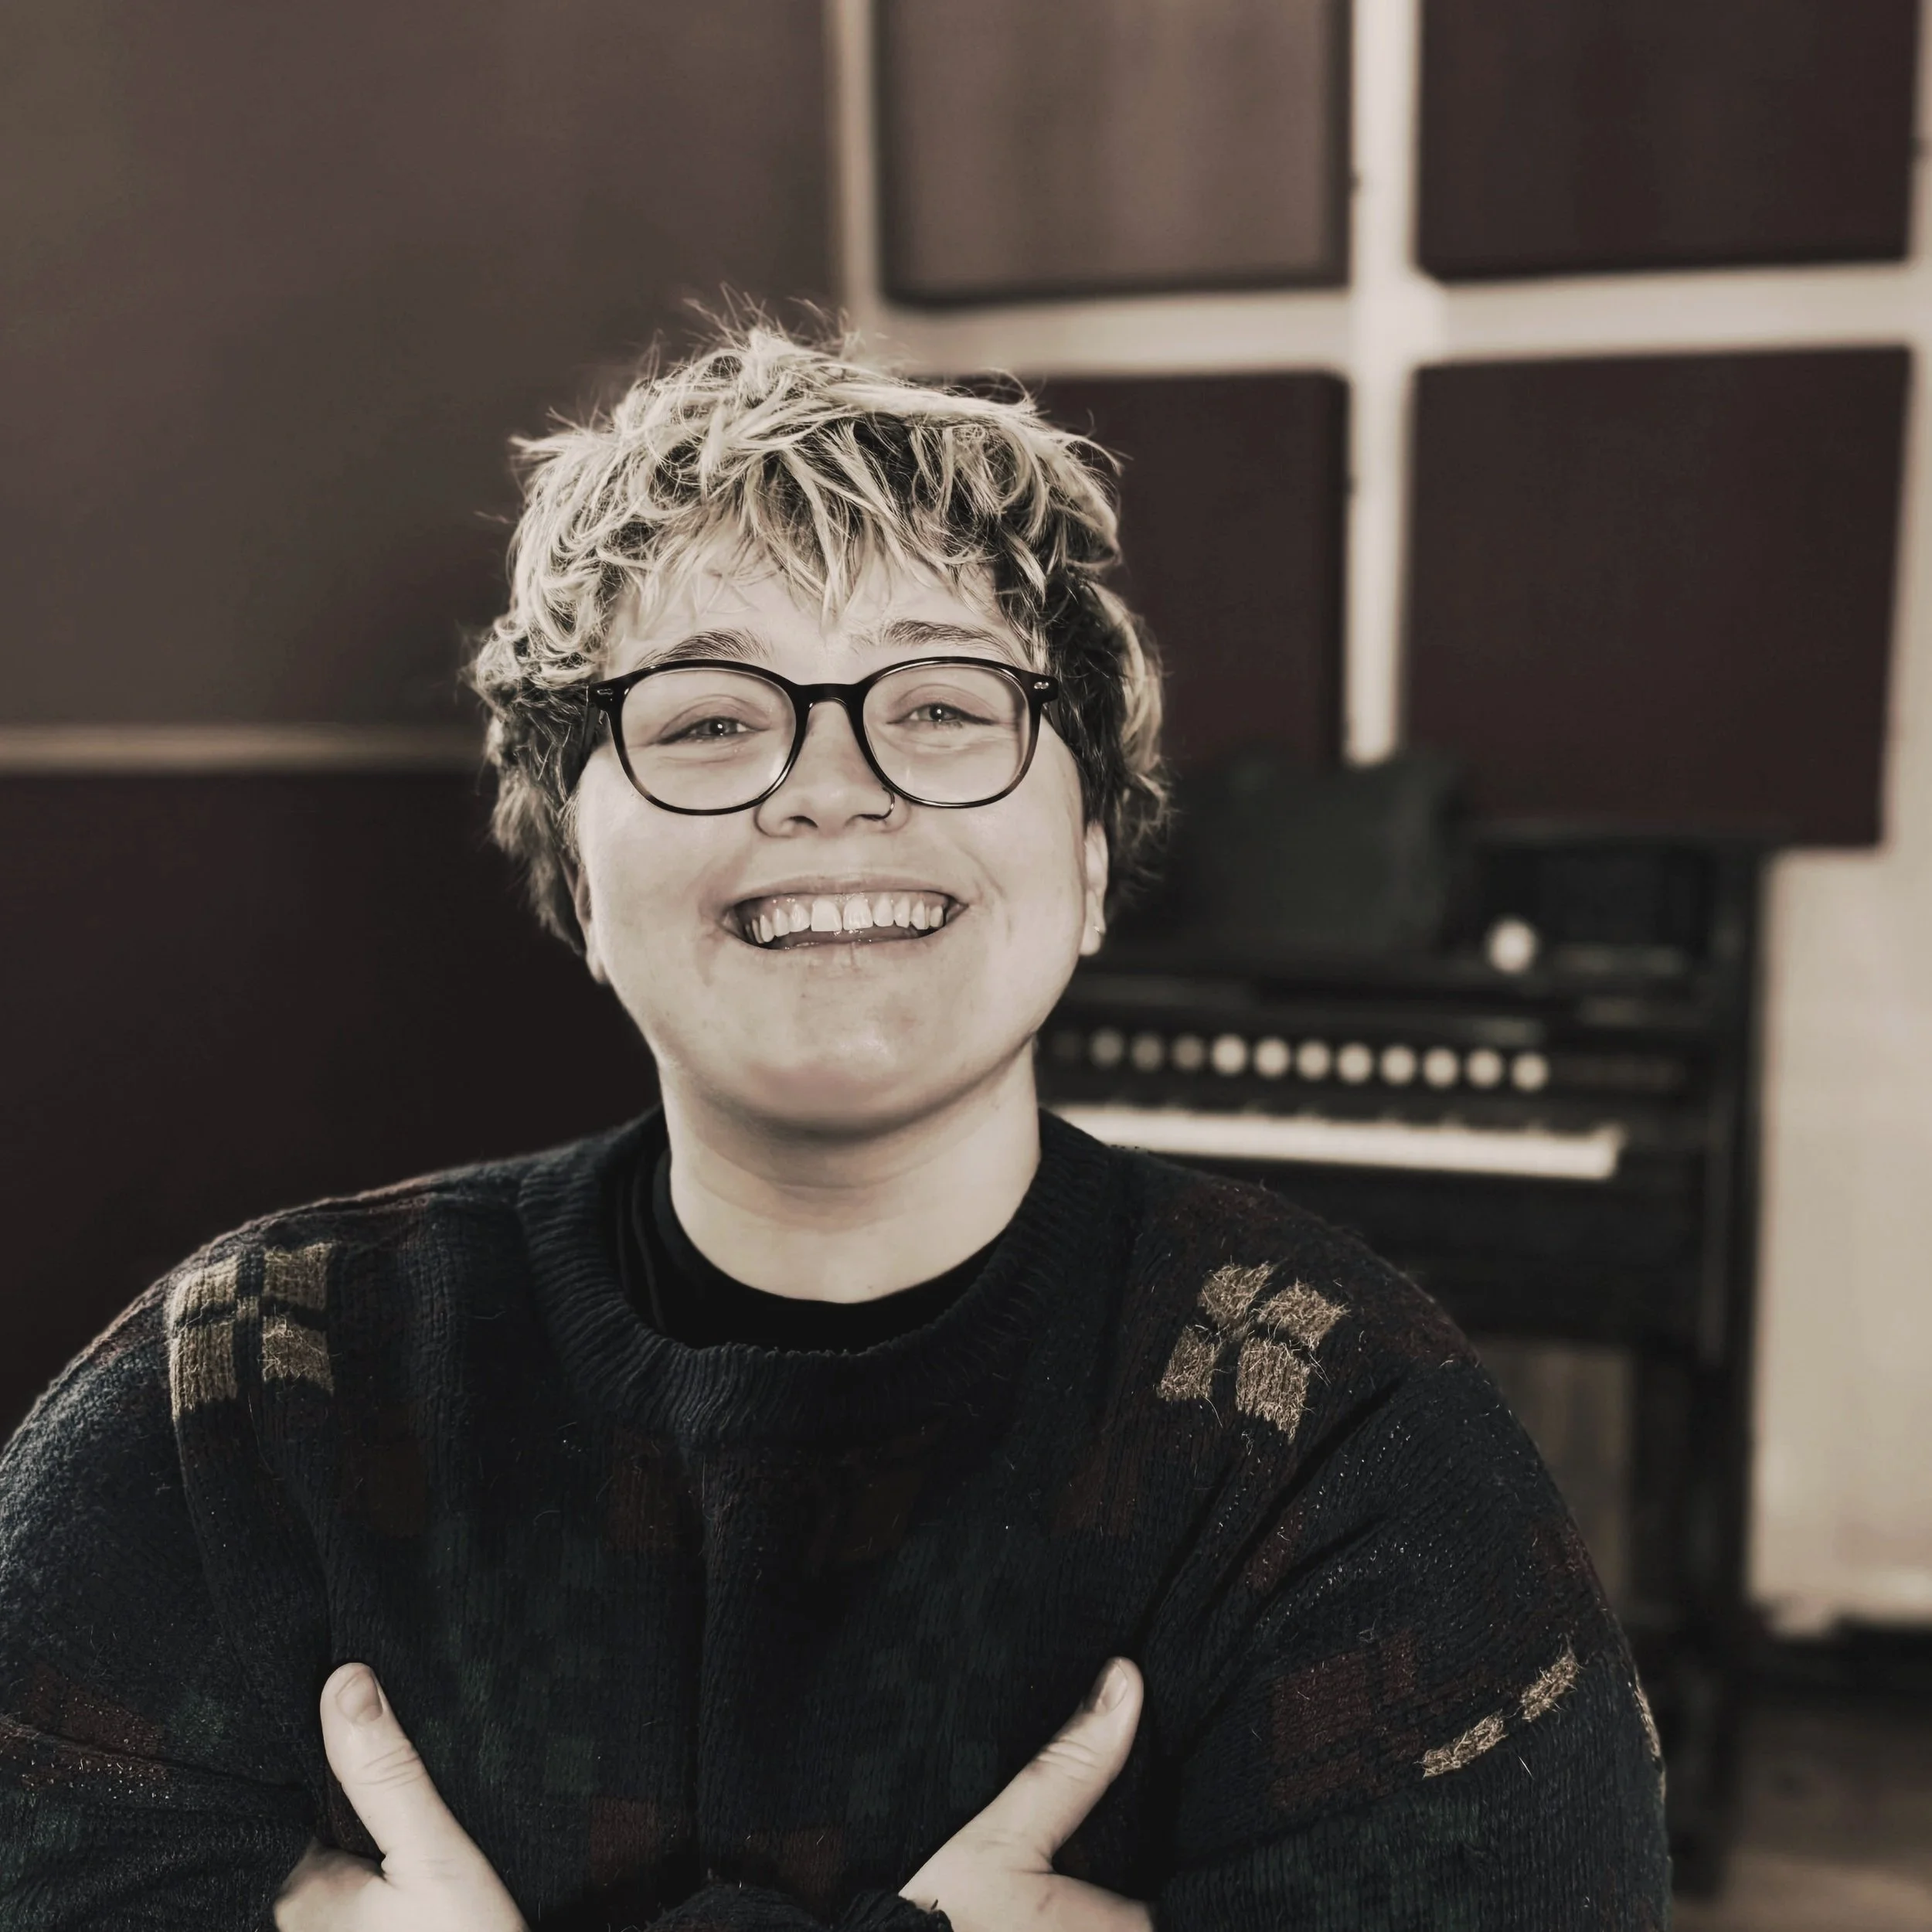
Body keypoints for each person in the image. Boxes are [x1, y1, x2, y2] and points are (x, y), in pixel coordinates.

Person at [0, 325, 1669, 1930]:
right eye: (710, 719)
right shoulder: (253, 1380)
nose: (830, 785)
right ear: (576, 872)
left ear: (1092, 856)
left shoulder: (1334, 1429)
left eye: (941, 705)